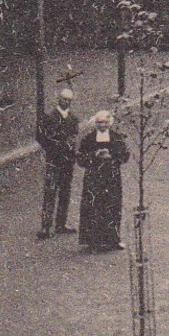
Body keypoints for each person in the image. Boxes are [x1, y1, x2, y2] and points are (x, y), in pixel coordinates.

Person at [76, 109, 128, 253]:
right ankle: (93, 242)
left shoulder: (116, 137)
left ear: (109, 123)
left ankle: (113, 239)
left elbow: (125, 156)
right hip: (94, 178)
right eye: (99, 122)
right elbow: (80, 158)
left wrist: (112, 156)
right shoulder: (89, 139)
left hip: (111, 178)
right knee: (94, 208)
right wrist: (94, 155)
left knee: (112, 206)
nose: (102, 125)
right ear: (95, 124)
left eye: (105, 122)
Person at [36, 87, 79, 240]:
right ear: (58, 99)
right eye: (64, 99)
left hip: (67, 161)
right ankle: (46, 226)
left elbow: (74, 136)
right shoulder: (49, 117)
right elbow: (41, 137)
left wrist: (71, 149)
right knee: (50, 192)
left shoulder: (73, 119)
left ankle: (61, 223)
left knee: (65, 192)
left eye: (69, 100)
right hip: (54, 160)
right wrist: (53, 148)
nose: (66, 102)